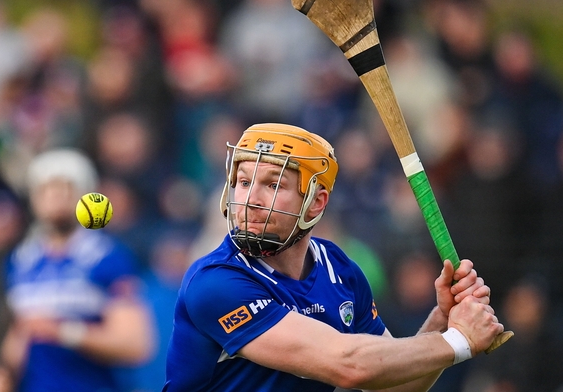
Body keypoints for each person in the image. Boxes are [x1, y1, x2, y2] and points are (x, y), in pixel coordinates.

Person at [163, 123, 503, 391]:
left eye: (273, 185)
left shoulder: (340, 270)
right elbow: (349, 365)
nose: (251, 198)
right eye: (243, 181)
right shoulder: (215, 281)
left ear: (316, 202)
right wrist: (458, 340)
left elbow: (390, 385)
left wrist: (441, 321)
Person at [0, 148, 155, 392]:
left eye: (65, 188)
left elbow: (136, 343)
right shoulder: (22, 260)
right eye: (47, 189)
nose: (55, 198)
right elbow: (21, 334)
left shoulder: (106, 256)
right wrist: (2, 375)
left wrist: (65, 332)